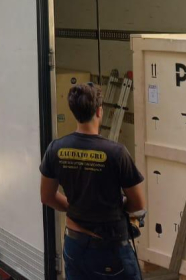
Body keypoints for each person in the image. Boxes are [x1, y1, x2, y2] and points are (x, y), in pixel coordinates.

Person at [40, 82, 145, 280]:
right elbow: (138, 203)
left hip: (74, 245)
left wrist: (76, 207)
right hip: (109, 248)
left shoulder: (56, 149)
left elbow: (47, 196)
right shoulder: (116, 153)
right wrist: (120, 206)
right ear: (99, 111)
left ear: (74, 112)